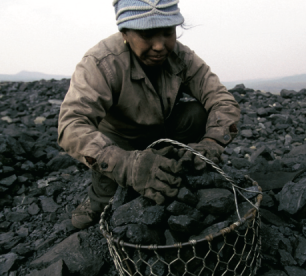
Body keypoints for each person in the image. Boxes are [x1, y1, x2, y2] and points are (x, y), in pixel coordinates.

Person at [57, 0, 240, 229]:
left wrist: (212, 141)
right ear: (125, 33)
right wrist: (128, 166)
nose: (159, 46)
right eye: (147, 34)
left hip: (164, 132)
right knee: (104, 210)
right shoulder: (101, 63)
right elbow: (71, 125)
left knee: (197, 113)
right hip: (119, 143)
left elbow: (221, 99)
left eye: (167, 32)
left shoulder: (182, 57)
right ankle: (98, 198)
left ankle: (181, 170)